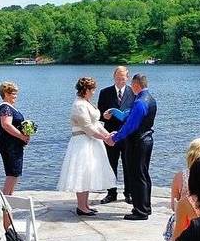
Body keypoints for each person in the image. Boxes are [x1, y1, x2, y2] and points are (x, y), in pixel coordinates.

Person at [57, 77, 116, 216]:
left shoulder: (86, 102)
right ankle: (81, 206)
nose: (94, 92)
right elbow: (88, 127)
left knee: (89, 172)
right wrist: (105, 138)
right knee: (82, 173)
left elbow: (96, 124)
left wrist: (108, 135)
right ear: (86, 90)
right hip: (82, 142)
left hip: (92, 142)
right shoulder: (79, 105)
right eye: (92, 89)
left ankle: (85, 204)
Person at [108, 73, 157, 220]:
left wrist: (115, 138)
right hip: (147, 139)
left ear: (136, 85)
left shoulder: (140, 102)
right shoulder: (151, 99)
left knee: (136, 176)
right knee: (144, 174)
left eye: (132, 85)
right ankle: (146, 207)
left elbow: (131, 125)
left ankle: (140, 211)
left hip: (138, 142)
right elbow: (130, 119)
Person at [98, 66, 135, 205]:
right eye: (118, 78)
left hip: (127, 135)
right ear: (114, 77)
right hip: (110, 135)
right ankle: (111, 193)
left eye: (123, 78)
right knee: (110, 164)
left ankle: (129, 193)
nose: (120, 80)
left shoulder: (133, 92)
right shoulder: (105, 92)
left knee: (128, 164)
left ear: (127, 78)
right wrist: (104, 116)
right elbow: (100, 114)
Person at [0, 82, 30, 196]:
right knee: (12, 173)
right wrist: (22, 136)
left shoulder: (10, 108)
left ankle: (8, 198)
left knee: (14, 173)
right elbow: (6, 124)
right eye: (13, 93)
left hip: (13, 145)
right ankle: (5, 202)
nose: (15, 95)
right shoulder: (5, 108)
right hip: (9, 145)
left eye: (16, 93)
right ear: (5, 93)